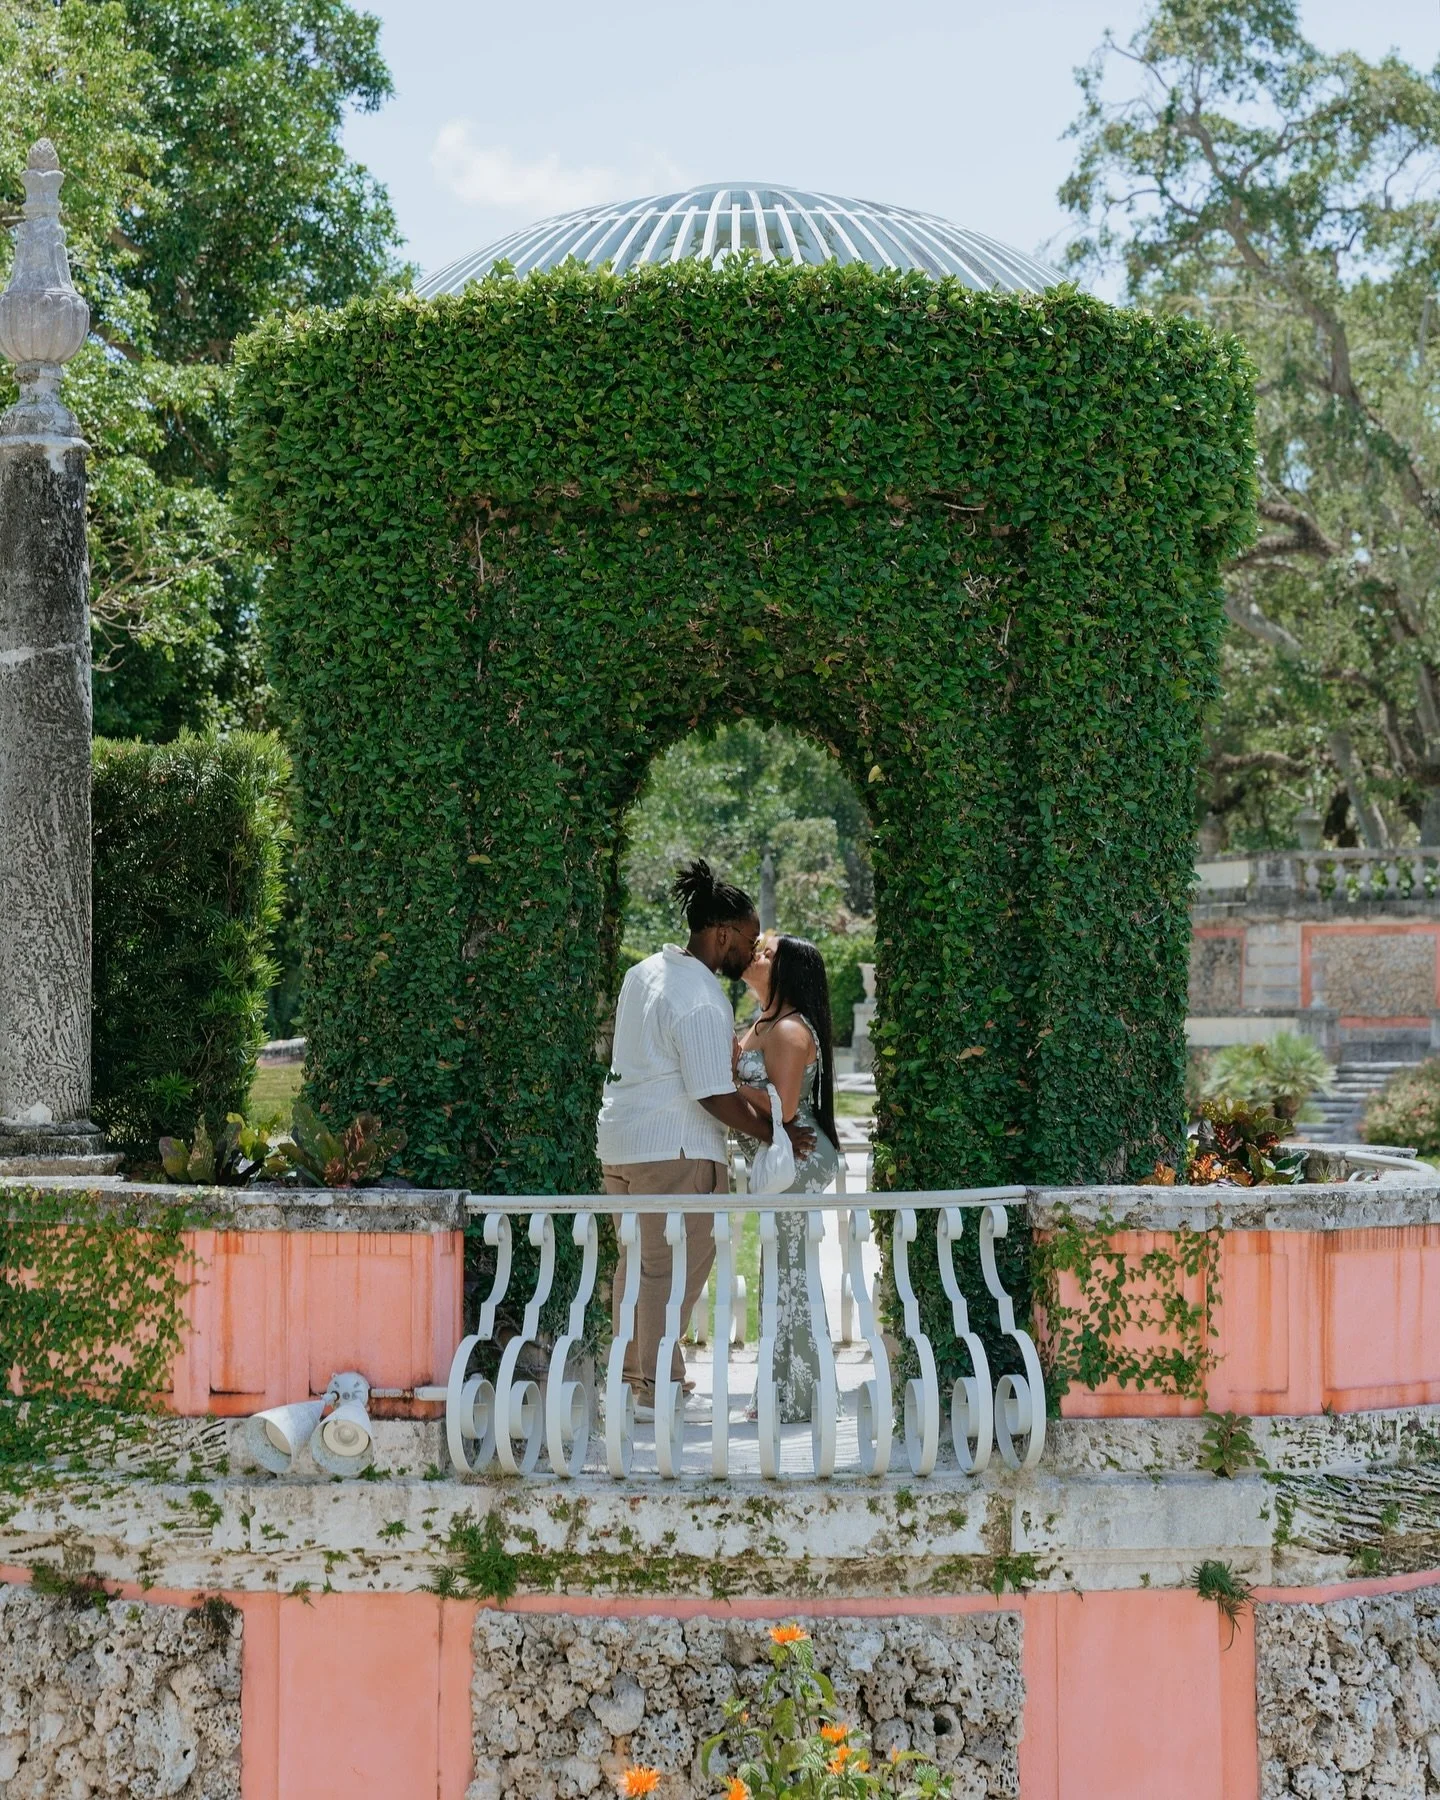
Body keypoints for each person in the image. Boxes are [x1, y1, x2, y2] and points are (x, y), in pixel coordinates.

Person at [597, 859, 814, 1422]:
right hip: (676, 1150)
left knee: (635, 1266)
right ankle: (657, 1390)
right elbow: (711, 1095)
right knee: (671, 1270)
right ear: (722, 934)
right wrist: (778, 1133)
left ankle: (628, 1382)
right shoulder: (701, 997)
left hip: (621, 1147)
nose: (751, 947)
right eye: (748, 937)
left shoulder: (642, 973)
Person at [733, 933, 841, 1421]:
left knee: (790, 1271)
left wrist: (727, 1084)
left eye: (768, 952)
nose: (756, 953)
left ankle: (801, 1396)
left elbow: (787, 1105)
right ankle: (781, 1391)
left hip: (799, 1159)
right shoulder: (760, 1024)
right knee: (777, 1268)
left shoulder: (791, 1030)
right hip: (780, 1161)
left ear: (788, 972)